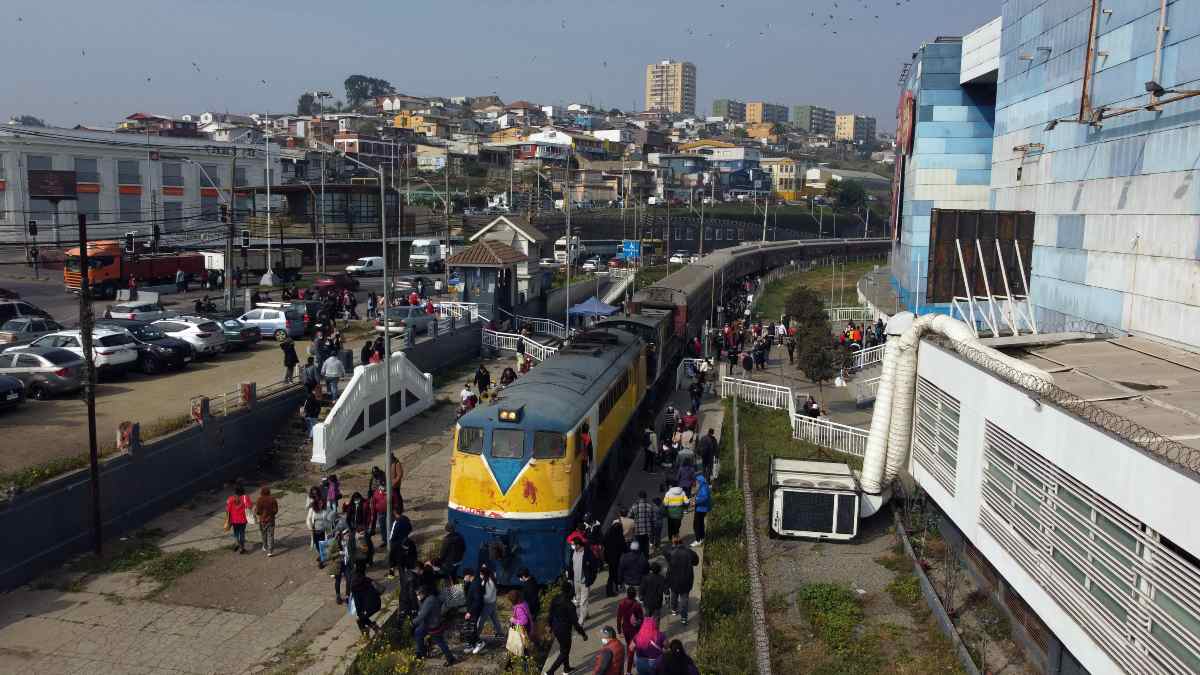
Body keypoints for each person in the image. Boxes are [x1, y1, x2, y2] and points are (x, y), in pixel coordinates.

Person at [544, 580, 588, 675]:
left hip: (556, 628)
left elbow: (550, 613)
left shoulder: (556, 598)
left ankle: (566, 668)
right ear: (570, 591)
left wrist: (550, 626)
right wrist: (583, 634)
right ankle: (550, 672)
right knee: (564, 652)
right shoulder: (570, 605)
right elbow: (575, 623)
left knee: (564, 649)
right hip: (565, 631)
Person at [413, 584, 456, 665]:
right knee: (418, 632)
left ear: (424, 593)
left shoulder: (429, 601)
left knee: (440, 642)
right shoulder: (426, 599)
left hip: (433, 625)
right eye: (416, 594)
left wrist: (413, 623)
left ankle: (450, 658)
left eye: (418, 594)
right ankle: (421, 653)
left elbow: (422, 615)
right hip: (428, 623)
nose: (417, 596)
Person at [470, 564, 503, 654]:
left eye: (481, 574)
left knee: (481, 621)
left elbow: (488, 596)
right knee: (495, 619)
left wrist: (480, 597)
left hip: (488, 604)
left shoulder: (490, 582)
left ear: (484, 574)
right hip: (492, 603)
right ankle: (500, 634)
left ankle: (475, 637)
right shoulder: (490, 579)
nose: (480, 576)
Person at [666, 537, 699, 625]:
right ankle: (684, 617)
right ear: (682, 543)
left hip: (674, 579)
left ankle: (674, 609)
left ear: (674, 544)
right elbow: (696, 562)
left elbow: (667, 559)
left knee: (674, 594)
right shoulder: (689, 552)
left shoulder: (671, 552)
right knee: (684, 598)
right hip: (686, 579)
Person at [567, 537, 598, 622]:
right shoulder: (573, 552)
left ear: (578, 545)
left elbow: (594, 567)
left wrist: (590, 580)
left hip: (584, 582)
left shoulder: (588, 553)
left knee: (583, 602)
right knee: (577, 599)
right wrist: (569, 578)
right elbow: (570, 566)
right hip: (575, 582)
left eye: (573, 544)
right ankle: (585, 614)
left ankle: (580, 622)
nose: (572, 546)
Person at [617, 586, 645, 673]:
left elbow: (619, 617)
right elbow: (641, 618)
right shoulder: (637, 605)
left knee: (629, 644)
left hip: (625, 628)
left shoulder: (622, 603)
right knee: (633, 648)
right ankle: (629, 670)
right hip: (634, 629)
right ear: (635, 595)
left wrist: (619, 630)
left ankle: (631, 661)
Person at [351, 567, 383, 637]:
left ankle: (372, 629)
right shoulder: (368, 580)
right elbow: (379, 591)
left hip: (368, 609)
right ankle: (370, 630)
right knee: (362, 618)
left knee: (360, 619)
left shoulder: (354, 587)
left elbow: (358, 604)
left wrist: (359, 614)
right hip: (377, 604)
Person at [505, 589, 532, 664]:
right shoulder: (524, 603)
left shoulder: (519, 608)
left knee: (515, 643)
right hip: (526, 628)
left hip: (521, 629)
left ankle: (511, 664)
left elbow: (524, 621)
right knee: (523, 646)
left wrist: (513, 620)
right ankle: (525, 663)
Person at [603, 516, 626, 597]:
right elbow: (623, 546)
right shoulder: (619, 535)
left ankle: (612, 589)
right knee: (615, 574)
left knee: (612, 574)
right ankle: (613, 589)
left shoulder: (608, 534)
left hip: (609, 558)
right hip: (617, 558)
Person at [225, 483, 252, 554]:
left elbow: (227, 510)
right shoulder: (245, 498)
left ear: (235, 491)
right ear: (243, 491)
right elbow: (249, 507)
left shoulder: (230, 499)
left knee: (236, 532)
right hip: (243, 519)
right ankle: (242, 548)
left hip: (234, 520)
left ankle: (237, 543)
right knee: (242, 533)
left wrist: (228, 518)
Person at [305, 487, 328, 568]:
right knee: (317, 545)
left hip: (323, 531)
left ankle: (322, 560)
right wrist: (310, 526)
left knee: (323, 545)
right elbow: (308, 518)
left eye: (322, 503)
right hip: (315, 531)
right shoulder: (312, 509)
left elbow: (329, 519)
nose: (321, 504)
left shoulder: (325, 510)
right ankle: (321, 555)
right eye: (319, 503)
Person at [386, 509, 412, 579]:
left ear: (395, 512)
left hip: (396, 543)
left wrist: (391, 540)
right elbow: (410, 528)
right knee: (403, 559)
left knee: (392, 559)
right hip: (405, 541)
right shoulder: (406, 519)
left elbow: (392, 534)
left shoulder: (396, 522)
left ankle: (391, 575)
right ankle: (404, 574)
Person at [253, 486, 279, 557]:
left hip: (262, 520)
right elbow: (276, 510)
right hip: (271, 520)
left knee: (263, 534)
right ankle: (270, 551)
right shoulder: (273, 499)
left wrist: (260, 514)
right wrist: (272, 514)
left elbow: (258, 511)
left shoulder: (259, 500)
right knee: (271, 535)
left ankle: (265, 546)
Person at [629, 491, 656, 556]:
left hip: (637, 531)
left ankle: (640, 557)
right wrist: (653, 529)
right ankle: (646, 557)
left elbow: (629, 517)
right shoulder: (649, 506)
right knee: (646, 545)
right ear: (646, 497)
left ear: (638, 497)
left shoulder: (634, 506)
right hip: (647, 531)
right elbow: (654, 519)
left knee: (639, 545)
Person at [691, 474, 711, 547]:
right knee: (700, 524)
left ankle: (698, 540)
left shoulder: (703, 487)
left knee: (696, 525)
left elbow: (704, 497)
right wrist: (695, 495)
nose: (696, 482)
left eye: (697, 481)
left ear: (700, 481)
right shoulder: (703, 486)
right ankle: (701, 538)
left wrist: (696, 502)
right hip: (701, 508)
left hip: (701, 509)